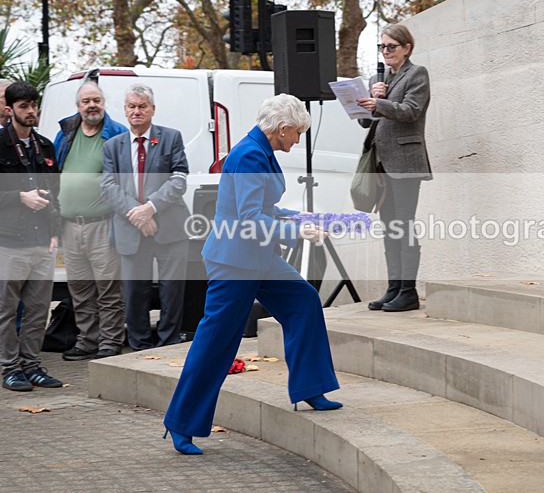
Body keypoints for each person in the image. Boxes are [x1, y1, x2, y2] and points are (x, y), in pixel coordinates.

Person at [163, 94, 341, 455]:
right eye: (297, 133)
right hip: (234, 262)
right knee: (217, 342)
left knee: (304, 301)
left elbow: (265, 207)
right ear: (283, 128)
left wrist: (299, 217)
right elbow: (248, 219)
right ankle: (180, 424)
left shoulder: (259, 149)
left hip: (259, 258)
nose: (297, 140)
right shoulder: (249, 154)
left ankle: (309, 387)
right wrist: (297, 233)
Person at [100, 83, 189, 351]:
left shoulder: (171, 138)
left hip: (170, 229)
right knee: (134, 292)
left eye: (142, 106)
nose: (136, 111)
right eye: (131, 106)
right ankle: (138, 346)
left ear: (152, 109)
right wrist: (137, 214)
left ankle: (168, 344)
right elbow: (107, 187)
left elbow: (179, 179)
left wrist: (150, 208)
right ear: (125, 110)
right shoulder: (112, 146)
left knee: (171, 290)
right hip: (130, 229)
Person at [357, 24, 433, 312]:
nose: (386, 52)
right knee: (389, 226)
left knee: (403, 224)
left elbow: (411, 111)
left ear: (406, 48)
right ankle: (393, 288)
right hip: (381, 162)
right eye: (382, 47)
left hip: (405, 162)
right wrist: (367, 103)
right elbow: (367, 121)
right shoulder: (383, 79)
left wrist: (381, 101)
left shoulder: (417, 74)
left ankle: (408, 291)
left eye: (391, 46)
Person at [55, 82, 128, 360]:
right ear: (78, 106)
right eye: (86, 101)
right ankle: (87, 341)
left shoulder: (116, 134)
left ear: (104, 102)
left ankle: (110, 341)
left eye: (96, 99)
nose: (91, 105)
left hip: (104, 223)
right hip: (70, 225)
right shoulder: (65, 134)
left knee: (108, 287)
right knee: (80, 288)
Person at [0, 81, 63, 391]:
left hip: (42, 242)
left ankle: (32, 366)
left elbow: (56, 192)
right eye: (24, 106)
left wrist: (56, 234)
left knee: (39, 311)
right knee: (6, 312)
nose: (31, 112)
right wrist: (19, 196)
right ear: (9, 110)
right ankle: (10, 369)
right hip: (8, 242)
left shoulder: (46, 145)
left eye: (34, 105)